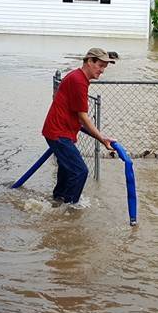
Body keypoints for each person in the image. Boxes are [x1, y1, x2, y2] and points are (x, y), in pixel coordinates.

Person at [41, 48, 118, 204]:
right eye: (100, 66)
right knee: (80, 171)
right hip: (59, 133)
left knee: (67, 170)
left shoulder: (77, 77)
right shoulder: (78, 81)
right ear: (89, 61)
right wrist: (102, 139)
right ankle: (70, 210)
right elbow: (83, 117)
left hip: (59, 131)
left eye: (104, 67)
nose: (102, 71)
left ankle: (57, 203)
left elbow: (70, 108)